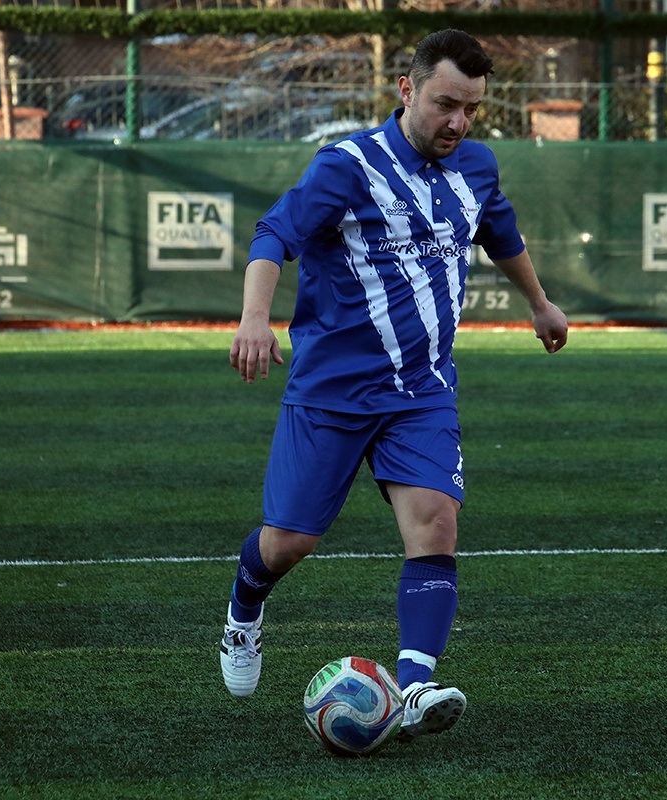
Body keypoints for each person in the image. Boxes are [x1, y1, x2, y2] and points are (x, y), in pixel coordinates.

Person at [220, 28, 568, 741]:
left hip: (423, 390)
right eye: (446, 104)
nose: (458, 122)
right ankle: (243, 612)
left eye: (471, 108)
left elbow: (500, 233)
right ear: (406, 90)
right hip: (332, 391)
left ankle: (414, 687)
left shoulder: (476, 165)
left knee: (435, 522)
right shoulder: (347, 167)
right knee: (289, 544)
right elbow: (273, 235)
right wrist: (255, 317)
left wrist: (539, 302)